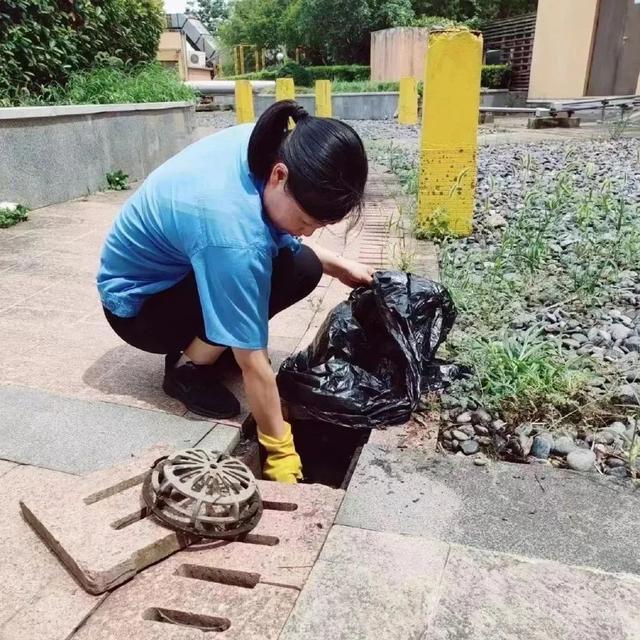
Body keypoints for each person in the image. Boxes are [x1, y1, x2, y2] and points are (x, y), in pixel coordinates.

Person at [97, 100, 372, 484]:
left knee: (305, 265)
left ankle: (209, 345)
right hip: (140, 308)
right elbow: (254, 363)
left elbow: (280, 235)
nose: (307, 232)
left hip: (181, 269)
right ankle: (187, 370)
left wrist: (340, 266)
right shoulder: (230, 233)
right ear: (279, 176)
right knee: (256, 292)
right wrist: (279, 449)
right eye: (307, 221)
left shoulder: (269, 143)